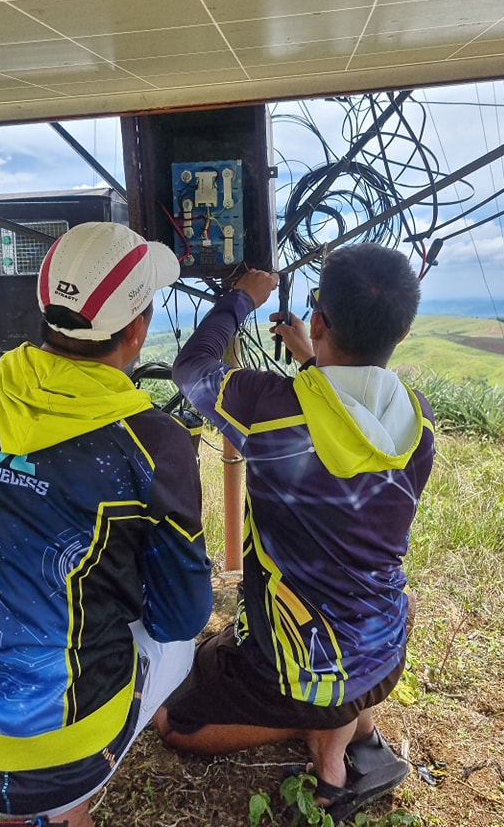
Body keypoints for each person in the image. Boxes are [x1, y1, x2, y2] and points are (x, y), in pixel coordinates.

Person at [0, 221, 213, 827]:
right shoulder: (152, 443)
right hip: (53, 754)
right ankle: (59, 810)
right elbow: (181, 615)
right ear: (136, 330)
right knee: (181, 646)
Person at [154, 242, 435, 824]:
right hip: (385, 642)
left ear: (319, 318)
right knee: (229, 653)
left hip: (305, 664)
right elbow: (345, 424)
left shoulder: (268, 405)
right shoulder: (420, 419)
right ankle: (350, 732)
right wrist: (316, 362)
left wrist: (240, 299)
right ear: (401, 332)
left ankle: (322, 735)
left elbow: (193, 369)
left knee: (176, 724)